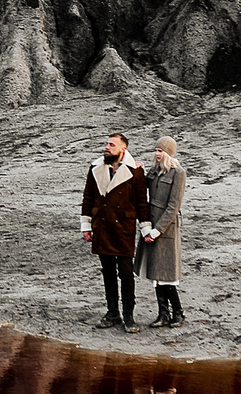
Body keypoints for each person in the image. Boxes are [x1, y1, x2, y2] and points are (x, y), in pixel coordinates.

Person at [79, 132, 156, 329]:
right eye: (107, 144)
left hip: (124, 228)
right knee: (108, 272)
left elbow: (142, 203)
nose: (107, 147)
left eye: (112, 145)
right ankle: (113, 313)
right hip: (102, 226)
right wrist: (86, 225)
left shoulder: (135, 172)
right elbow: (88, 198)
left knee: (126, 273)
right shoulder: (95, 168)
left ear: (123, 148)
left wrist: (146, 227)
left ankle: (129, 316)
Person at [142, 136, 188, 327]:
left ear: (168, 153)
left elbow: (173, 206)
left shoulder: (178, 173)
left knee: (167, 273)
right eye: (155, 150)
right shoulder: (154, 171)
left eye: (160, 151)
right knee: (156, 273)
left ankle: (178, 313)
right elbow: (141, 187)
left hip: (166, 228)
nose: (157, 154)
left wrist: (157, 230)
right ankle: (163, 314)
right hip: (151, 223)